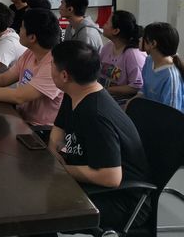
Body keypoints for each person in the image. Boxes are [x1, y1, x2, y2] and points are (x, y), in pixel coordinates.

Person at [49, 40, 150, 231]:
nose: (50, 70)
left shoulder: (96, 114)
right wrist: (53, 154)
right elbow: (58, 130)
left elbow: (111, 177)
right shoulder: (74, 93)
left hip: (120, 201)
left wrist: (60, 169)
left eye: (52, 65)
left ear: (64, 75)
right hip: (89, 182)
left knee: (39, 209)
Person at [99, 10, 145, 101]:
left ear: (116, 31)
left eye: (107, 23)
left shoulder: (132, 55)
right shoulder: (108, 46)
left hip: (122, 103)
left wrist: (106, 90)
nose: (103, 25)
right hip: (106, 97)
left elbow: (136, 87)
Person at [139, 22, 184, 111]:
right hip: (149, 112)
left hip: (163, 118)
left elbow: (172, 114)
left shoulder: (170, 76)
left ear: (153, 43)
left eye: (144, 37)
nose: (140, 39)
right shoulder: (149, 60)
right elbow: (144, 89)